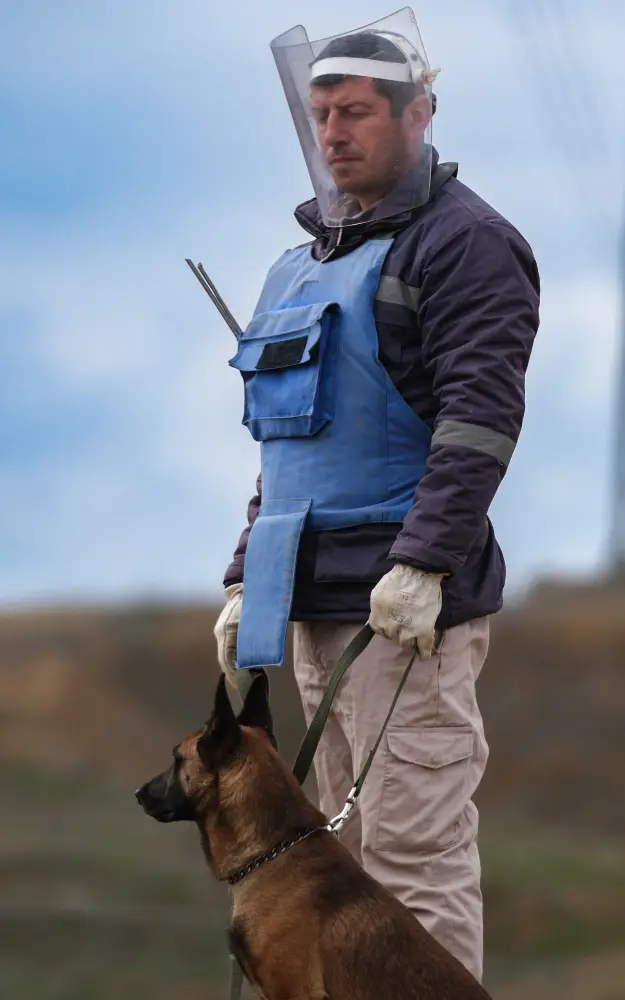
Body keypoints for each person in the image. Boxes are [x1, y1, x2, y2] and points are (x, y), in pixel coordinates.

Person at [213, 11, 540, 984]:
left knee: (412, 861)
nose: (333, 133)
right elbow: (288, 444)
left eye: (355, 111)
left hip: (402, 617)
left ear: (417, 114)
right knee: (337, 871)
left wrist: (424, 562)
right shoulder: (297, 266)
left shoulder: (466, 244)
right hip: (305, 601)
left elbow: (479, 419)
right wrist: (245, 576)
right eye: (321, 115)